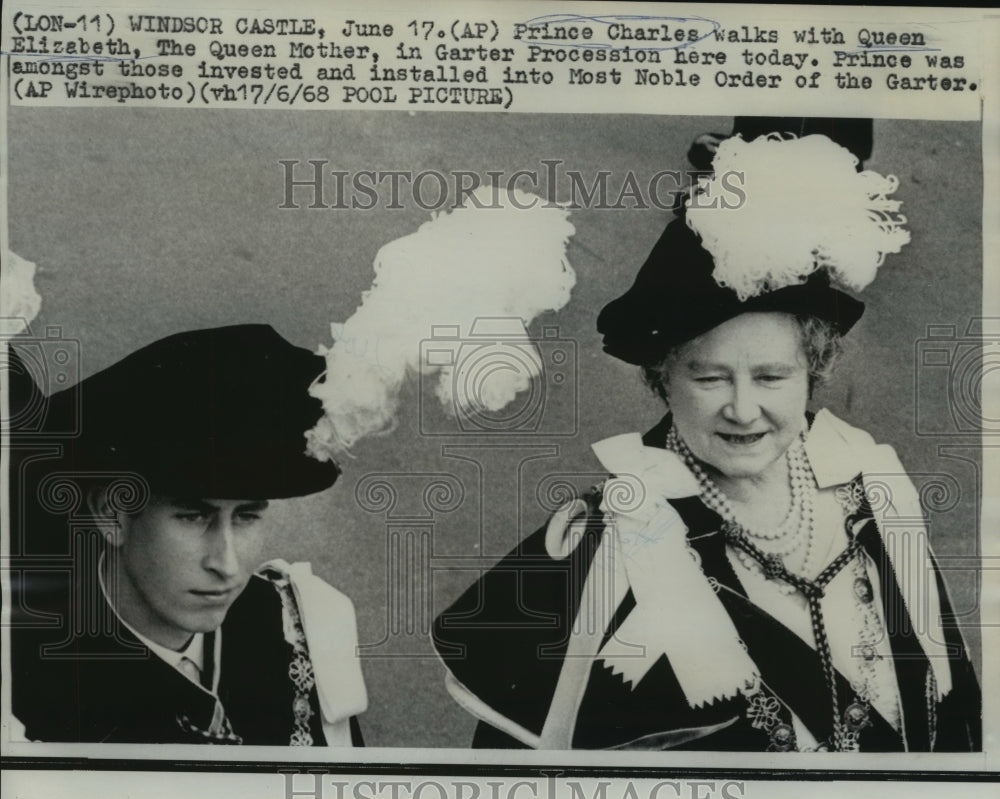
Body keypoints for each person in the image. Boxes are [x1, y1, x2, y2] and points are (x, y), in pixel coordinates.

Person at [432, 134, 982, 752]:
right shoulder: (607, 542)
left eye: (772, 376)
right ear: (663, 378)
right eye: (710, 376)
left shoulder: (874, 495)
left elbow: (955, 726)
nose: (743, 410)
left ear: (813, 372)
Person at [9, 324, 367, 745]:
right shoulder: (27, 676)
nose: (227, 565)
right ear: (112, 515)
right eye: (193, 518)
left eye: (246, 516)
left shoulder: (294, 628)